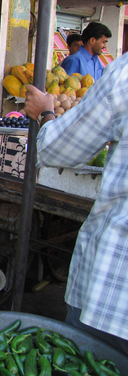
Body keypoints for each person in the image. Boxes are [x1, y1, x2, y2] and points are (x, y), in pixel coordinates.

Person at [23, 52, 128, 355]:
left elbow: (59, 149)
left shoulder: (122, 75)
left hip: (115, 287)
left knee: (87, 359)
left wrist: (46, 114)